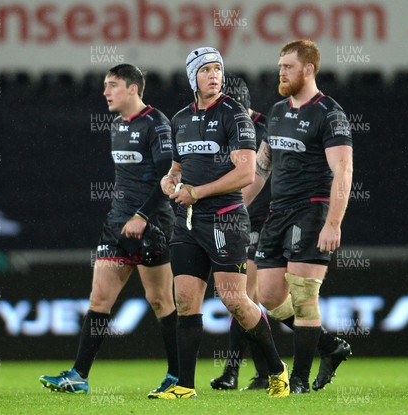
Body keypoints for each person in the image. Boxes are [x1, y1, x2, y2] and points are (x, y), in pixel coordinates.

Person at [148, 47, 289, 399]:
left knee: (235, 301)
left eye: (217, 68)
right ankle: (184, 386)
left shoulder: (235, 115)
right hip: (188, 223)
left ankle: (276, 369)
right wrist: (169, 181)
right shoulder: (179, 119)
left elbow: (245, 172)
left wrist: (197, 193)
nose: (214, 75)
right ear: (191, 77)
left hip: (226, 221)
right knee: (185, 300)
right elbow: (177, 169)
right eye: (206, 69)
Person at [39, 64, 178, 395]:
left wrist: (143, 216)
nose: (105, 92)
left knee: (159, 300)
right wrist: (124, 216)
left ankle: (177, 374)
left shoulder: (156, 124)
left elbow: (170, 180)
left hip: (152, 224)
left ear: (133, 89)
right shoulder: (116, 125)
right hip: (118, 223)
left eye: (112, 85)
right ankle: (78, 376)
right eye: (105, 86)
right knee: (99, 297)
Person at [242, 39, 353, 394]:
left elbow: (344, 172)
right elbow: (261, 169)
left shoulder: (330, 114)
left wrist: (332, 222)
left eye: (287, 67)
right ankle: (329, 346)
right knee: (270, 296)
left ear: (309, 69)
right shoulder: (276, 112)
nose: (281, 73)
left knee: (304, 296)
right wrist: (234, 209)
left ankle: (300, 382)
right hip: (278, 212)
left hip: (313, 211)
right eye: (279, 67)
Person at [210, 74, 270, 391]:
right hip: (233, 219)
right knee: (248, 299)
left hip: (261, 221)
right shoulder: (220, 126)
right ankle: (263, 373)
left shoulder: (266, 129)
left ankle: (235, 372)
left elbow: (256, 177)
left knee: (244, 297)